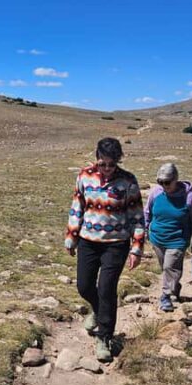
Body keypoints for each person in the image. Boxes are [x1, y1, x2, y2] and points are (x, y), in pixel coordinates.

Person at [65, 137, 145, 362]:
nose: (107, 169)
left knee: (107, 288)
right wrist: (71, 236)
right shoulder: (84, 175)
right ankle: (99, 312)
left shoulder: (128, 181)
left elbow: (138, 217)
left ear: (118, 161)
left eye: (111, 164)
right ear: (96, 159)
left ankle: (104, 336)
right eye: (103, 164)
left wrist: (136, 248)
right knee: (84, 286)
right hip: (88, 241)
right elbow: (77, 207)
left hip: (116, 244)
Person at [143, 163, 192, 312]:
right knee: (167, 269)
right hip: (157, 239)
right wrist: (144, 230)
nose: (164, 185)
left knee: (170, 267)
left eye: (167, 182)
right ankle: (174, 287)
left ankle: (165, 297)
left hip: (178, 240)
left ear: (176, 179)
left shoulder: (190, 198)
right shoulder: (156, 193)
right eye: (160, 182)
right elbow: (147, 212)